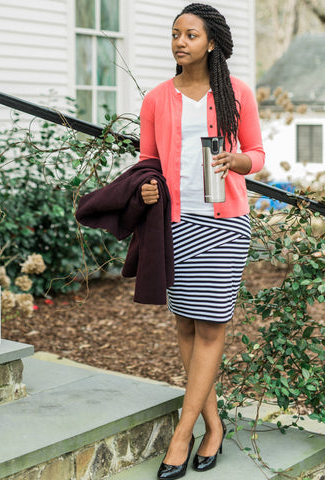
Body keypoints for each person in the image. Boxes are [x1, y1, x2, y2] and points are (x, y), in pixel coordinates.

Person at [138, 3, 265, 479]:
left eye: (190, 35)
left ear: (210, 43)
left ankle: (182, 432)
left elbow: (258, 153)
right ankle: (214, 426)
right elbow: (147, 162)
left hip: (224, 223)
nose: (180, 42)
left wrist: (237, 163)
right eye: (175, 34)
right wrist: (148, 187)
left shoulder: (237, 94)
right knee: (187, 327)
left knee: (211, 327)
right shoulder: (156, 98)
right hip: (174, 224)